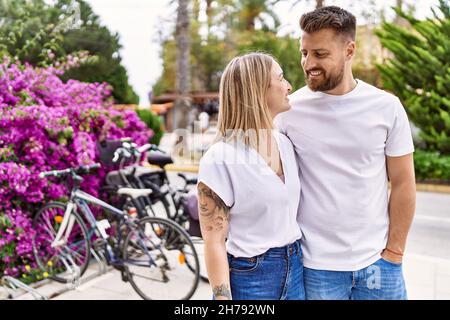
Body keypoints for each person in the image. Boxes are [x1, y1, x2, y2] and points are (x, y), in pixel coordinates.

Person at [275, 6, 416, 300]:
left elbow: (403, 182)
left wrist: (394, 252)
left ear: (349, 50)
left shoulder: (386, 108)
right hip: (316, 267)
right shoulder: (289, 112)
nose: (308, 63)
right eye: (304, 53)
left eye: (320, 54)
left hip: (378, 263)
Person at [197, 52, 305, 300]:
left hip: (297, 268)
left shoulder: (285, 144)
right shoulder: (220, 157)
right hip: (251, 278)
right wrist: (222, 299)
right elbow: (214, 241)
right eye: (281, 78)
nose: (289, 86)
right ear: (257, 90)